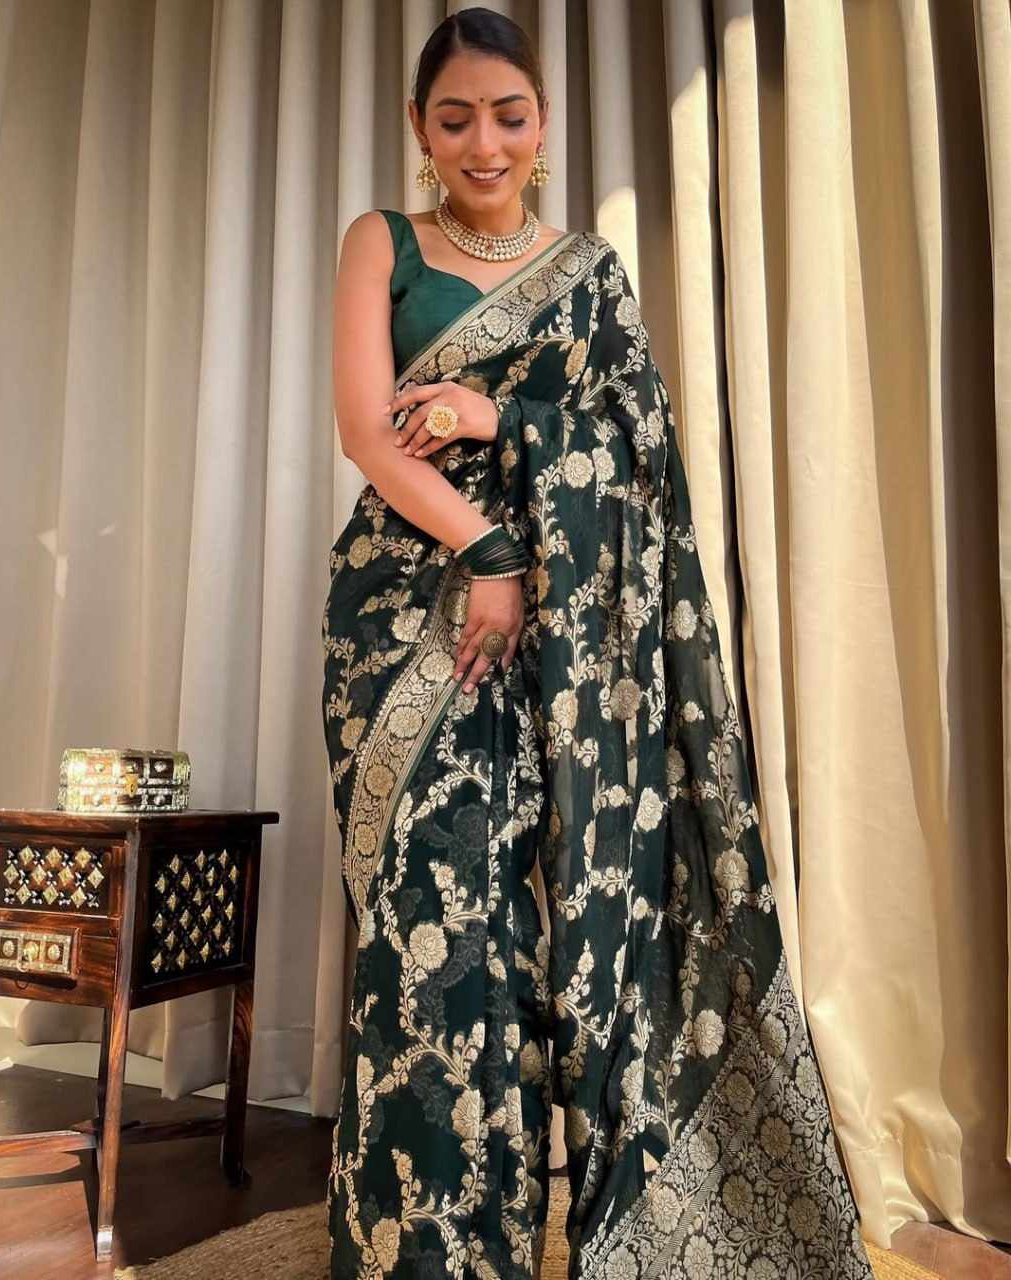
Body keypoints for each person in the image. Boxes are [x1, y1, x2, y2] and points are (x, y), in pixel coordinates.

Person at [322, 8, 874, 1278]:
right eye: (455, 118)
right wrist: (489, 551)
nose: (484, 143)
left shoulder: (589, 274)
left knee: (547, 944)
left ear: (544, 125)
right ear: (418, 129)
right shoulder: (380, 242)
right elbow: (364, 429)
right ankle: (428, 1252)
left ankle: (607, 1227)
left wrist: (495, 418)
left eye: (508, 115)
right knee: (434, 927)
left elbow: (640, 453)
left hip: (572, 642)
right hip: (406, 627)